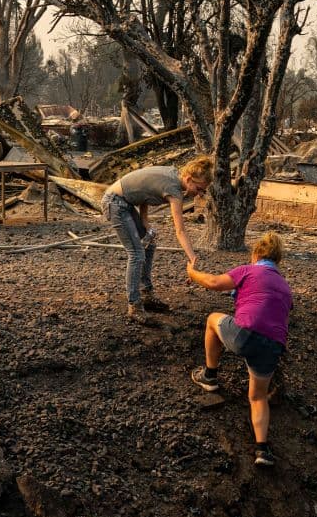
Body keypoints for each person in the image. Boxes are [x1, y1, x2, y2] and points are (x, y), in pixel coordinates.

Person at [186, 232, 293, 467]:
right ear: (278, 260)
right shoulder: (285, 286)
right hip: (273, 346)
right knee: (257, 397)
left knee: (213, 319)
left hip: (246, 334)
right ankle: (262, 450)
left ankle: (210, 376)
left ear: (255, 254)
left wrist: (193, 274)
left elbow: (214, 283)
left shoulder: (249, 270)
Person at [101, 155, 212, 324]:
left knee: (149, 243)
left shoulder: (174, 174)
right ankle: (134, 306)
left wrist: (145, 223)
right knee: (136, 253)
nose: (200, 194)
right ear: (189, 179)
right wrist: (192, 257)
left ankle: (146, 294)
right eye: (199, 188)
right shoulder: (174, 190)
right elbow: (180, 230)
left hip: (126, 202)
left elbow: (144, 190)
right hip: (115, 203)